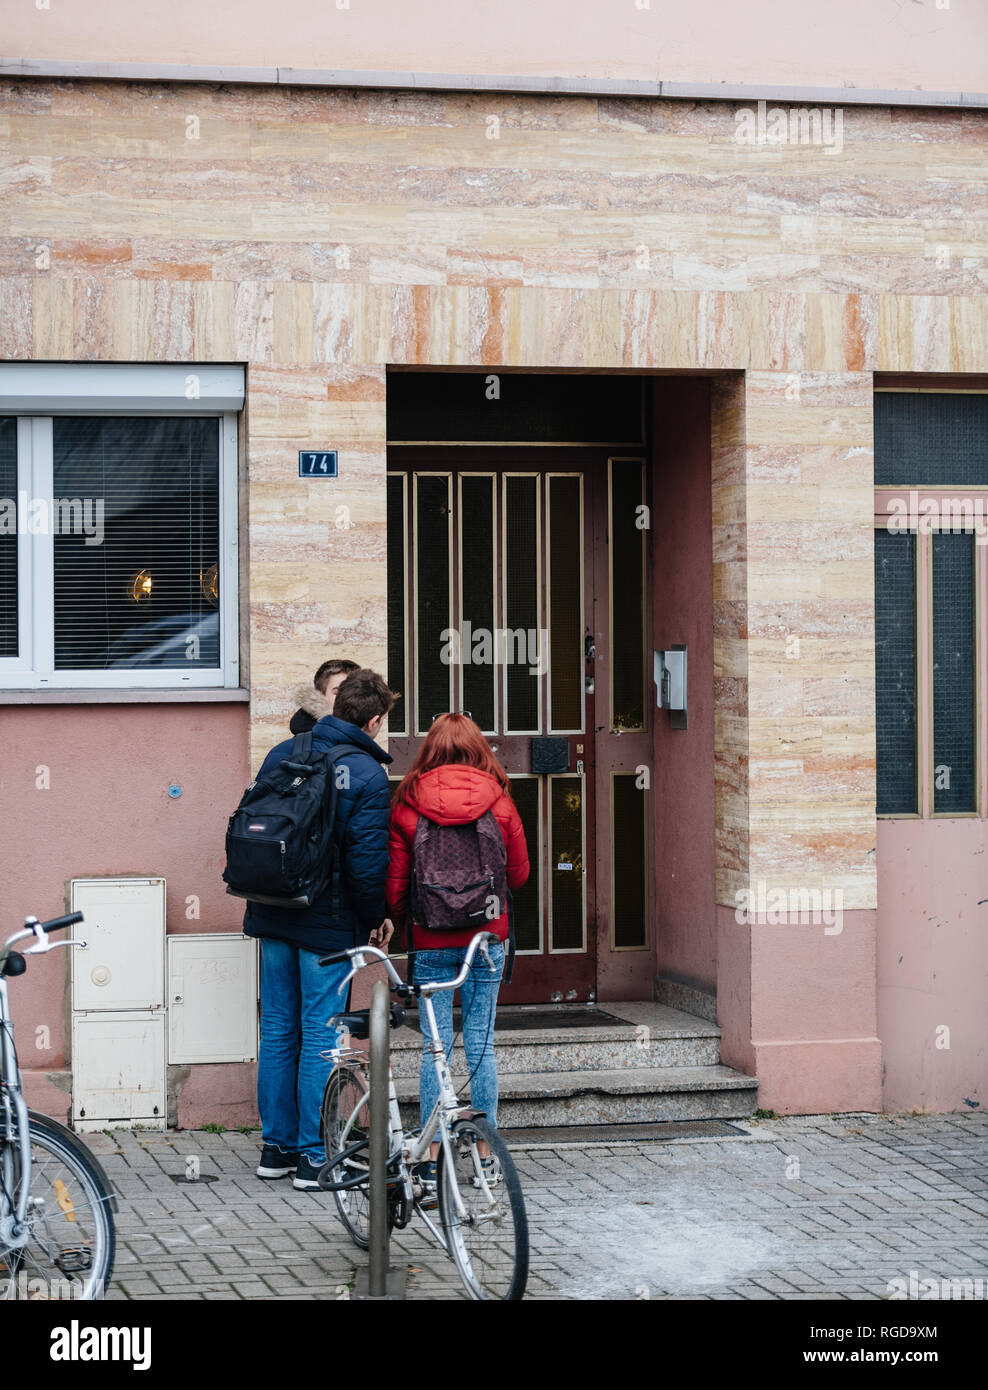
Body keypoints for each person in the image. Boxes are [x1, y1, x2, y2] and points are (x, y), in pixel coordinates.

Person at [244, 668, 397, 1189]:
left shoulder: (284, 752)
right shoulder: (367, 772)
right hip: (326, 924)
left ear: (335, 706)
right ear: (373, 720)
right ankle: (313, 1156)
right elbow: (367, 862)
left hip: (271, 909)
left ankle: (276, 1148)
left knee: (278, 1027)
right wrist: (374, 916)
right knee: (320, 1035)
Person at [386, 714, 529, 1188]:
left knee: (435, 1048)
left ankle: (428, 1155)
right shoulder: (500, 802)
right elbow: (520, 877)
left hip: (430, 937)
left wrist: (396, 919)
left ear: (429, 749)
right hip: (486, 938)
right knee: (482, 1044)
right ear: (477, 748)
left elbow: (396, 885)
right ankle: (486, 1154)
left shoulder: (408, 803)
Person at [289, 658, 360, 734]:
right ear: (320, 697)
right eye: (338, 692)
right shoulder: (306, 743)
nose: (348, 699)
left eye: (355, 692)